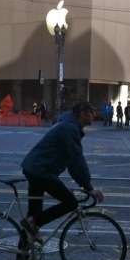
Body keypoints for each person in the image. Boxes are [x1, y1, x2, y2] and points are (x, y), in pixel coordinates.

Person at [19, 101, 104, 242]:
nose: (95, 115)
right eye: (92, 112)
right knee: (71, 203)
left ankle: (22, 258)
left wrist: (83, 184)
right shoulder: (69, 129)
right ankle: (31, 225)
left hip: (35, 168)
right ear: (82, 113)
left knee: (32, 217)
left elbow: (71, 162)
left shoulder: (69, 126)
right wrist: (88, 187)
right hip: (41, 170)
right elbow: (77, 159)